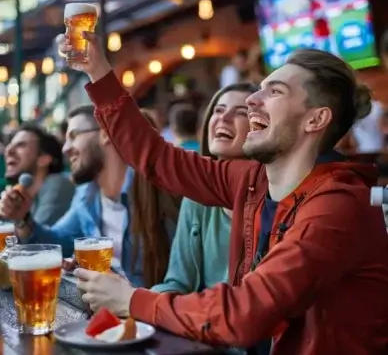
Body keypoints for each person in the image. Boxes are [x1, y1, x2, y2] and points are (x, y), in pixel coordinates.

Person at [12, 34, 388, 354]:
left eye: (274, 91)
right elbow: (157, 159)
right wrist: (97, 71)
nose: (253, 101)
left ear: (315, 120)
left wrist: (131, 300)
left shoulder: (338, 206)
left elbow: (245, 313)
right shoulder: (251, 179)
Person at [0, 105, 180, 287]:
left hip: (149, 311)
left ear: (105, 134)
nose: (65, 148)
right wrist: (23, 218)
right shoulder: (87, 195)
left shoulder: (160, 191)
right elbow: (57, 243)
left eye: (74, 136)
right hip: (109, 310)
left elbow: (183, 281)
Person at [152, 83, 256, 295]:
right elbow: (177, 283)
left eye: (241, 112)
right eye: (218, 110)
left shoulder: (273, 198)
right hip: (196, 319)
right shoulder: (196, 196)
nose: (223, 118)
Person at [4, 123, 74, 226]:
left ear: (44, 159)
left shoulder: (57, 184)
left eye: (21, 145)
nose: (8, 151)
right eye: (9, 145)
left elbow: (35, 239)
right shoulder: (26, 195)